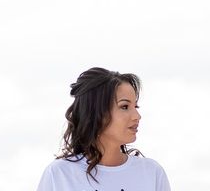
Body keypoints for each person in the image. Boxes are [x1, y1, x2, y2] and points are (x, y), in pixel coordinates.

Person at [36, 67, 172, 191]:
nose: (137, 116)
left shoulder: (151, 173)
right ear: (96, 112)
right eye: (124, 107)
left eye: (135, 107)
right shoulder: (59, 175)